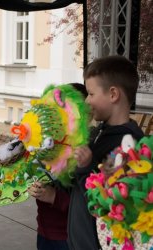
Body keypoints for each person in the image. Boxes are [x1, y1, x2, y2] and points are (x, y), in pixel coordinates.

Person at [67, 55, 144, 250]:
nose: (87, 100)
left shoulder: (128, 147)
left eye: (91, 94)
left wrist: (85, 167)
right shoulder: (99, 134)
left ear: (113, 94)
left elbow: (108, 202)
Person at [28, 83, 88, 250]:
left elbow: (88, 205)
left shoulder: (85, 154)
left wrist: (54, 197)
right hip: (44, 232)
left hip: (68, 237)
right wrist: (34, 187)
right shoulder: (51, 147)